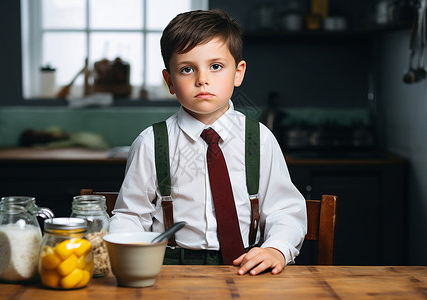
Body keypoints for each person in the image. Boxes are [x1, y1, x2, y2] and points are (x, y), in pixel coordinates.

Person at [110, 9, 307, 276]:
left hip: (248, 268)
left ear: (238, 73)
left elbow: (285, 210)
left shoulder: (259, 139)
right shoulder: (150, 143)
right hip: (170, 271)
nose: (202, 79)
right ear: (170, 81)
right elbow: (130, 216)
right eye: (187, 69)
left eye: (215, 66)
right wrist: (128, 262)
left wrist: (277, 249)